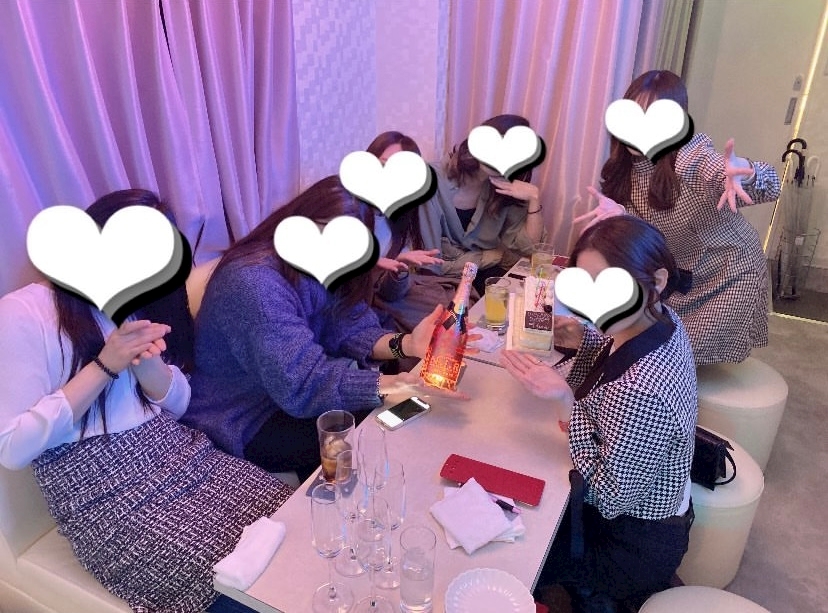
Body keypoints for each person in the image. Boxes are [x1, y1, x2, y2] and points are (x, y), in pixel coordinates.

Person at [0, 189, 294, 613]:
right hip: (104, 491)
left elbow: (177, 404)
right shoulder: (24, 312)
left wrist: (150, 369)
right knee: (224, 578)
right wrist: (105, 365)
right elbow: (12, 447)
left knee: (289, 518)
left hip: (180, 454)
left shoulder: (129, 303)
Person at [182, 175, 468, 481]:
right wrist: (393, 385)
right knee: (372, 432)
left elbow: (351, 325)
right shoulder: (254, 283)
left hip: (287, 395)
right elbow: (302, 383)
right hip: (243, 414)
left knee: (401, 418)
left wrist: (407, 344)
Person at [501, 216, 697, 612]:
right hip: (639, 504)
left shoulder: (644, 390)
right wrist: (586, 339)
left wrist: (565, 403)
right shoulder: (660, 319)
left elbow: (609, 498)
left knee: (513, 551)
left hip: (630, 542)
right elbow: (619, 366)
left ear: (657, 281)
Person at [576, 69, 781, 366]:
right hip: (681, 278)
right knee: (644, 345)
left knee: (666, 354)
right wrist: (623, 219)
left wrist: (745, 173)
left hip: (731, 274)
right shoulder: (626, 168)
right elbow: (648, 234)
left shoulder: (690, 156)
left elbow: (762, 183)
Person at [418, 114, 547, 295]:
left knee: (524, 299)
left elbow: (529, 248)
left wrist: (534, 197)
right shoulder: (431, 180)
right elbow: (431, 264)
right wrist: (485, 257)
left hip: (481, 276)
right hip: (439, 282)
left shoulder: (504, 189)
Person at [367, 131, 467, 344]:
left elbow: (390, 294)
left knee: (453, 318)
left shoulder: (401, 217)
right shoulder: (346, 207)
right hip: (354, 310)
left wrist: (399, 270)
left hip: (380, 301)